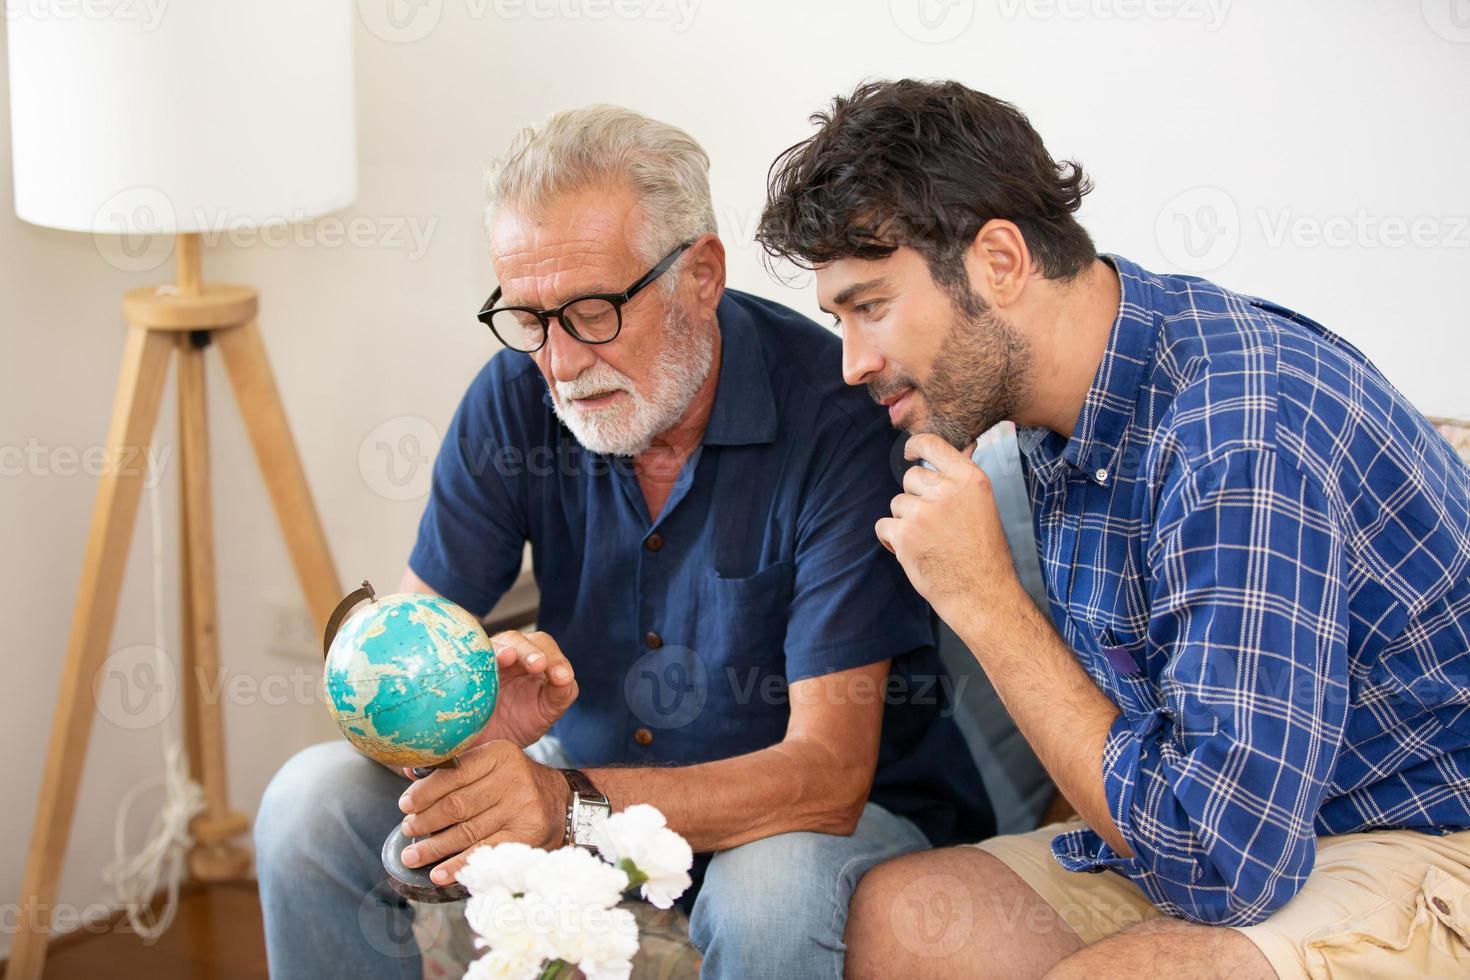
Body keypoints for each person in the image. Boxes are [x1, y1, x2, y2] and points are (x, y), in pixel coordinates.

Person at [254, 104, 993, 980]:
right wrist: (457, 718)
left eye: (593, 310)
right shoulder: (515, 398)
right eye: (529, 319)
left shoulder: (842, 420)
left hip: (814, 814)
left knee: (769, 896)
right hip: (588, 786)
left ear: (702, 275)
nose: (561, 363)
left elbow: (826, 776)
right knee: (309, 804)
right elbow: (402, 644)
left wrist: (561, 804)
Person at [756, 78, 1470, 979]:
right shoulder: (1074, 401)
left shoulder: (1233, 435)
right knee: (901, 920)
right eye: (838, 319)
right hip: (1255, 828)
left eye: (871, 307)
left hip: (1422, 833)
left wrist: (984, 600)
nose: (853, 363)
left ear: (1000, 262)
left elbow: (1224, 867)